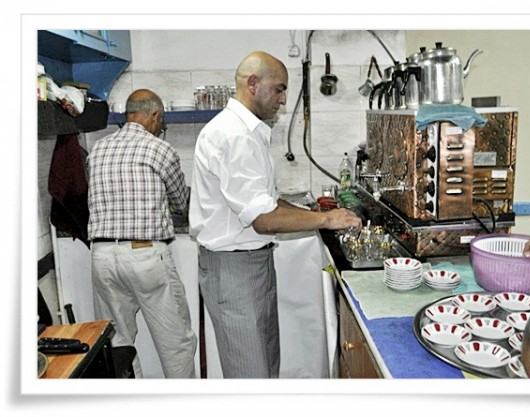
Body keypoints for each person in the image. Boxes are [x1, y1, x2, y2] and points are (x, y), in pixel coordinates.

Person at [189, 51, 362, 378]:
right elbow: (264, 218)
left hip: (252, 265)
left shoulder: (248, 132)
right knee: (251, 376)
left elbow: (268, 202)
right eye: (279, 89)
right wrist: (326, 220)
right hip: (235, 271)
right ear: (253, 84)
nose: (283, 100)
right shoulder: (234, 135)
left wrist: (315, 214)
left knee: (265, 369)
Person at [87, 89, 197, 378]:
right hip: (144, 254)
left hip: (102, 257)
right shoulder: (160, 149)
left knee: (117, 344)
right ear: (155, 116)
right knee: (176, 344)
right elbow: (181, 202)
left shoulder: (98, 148)